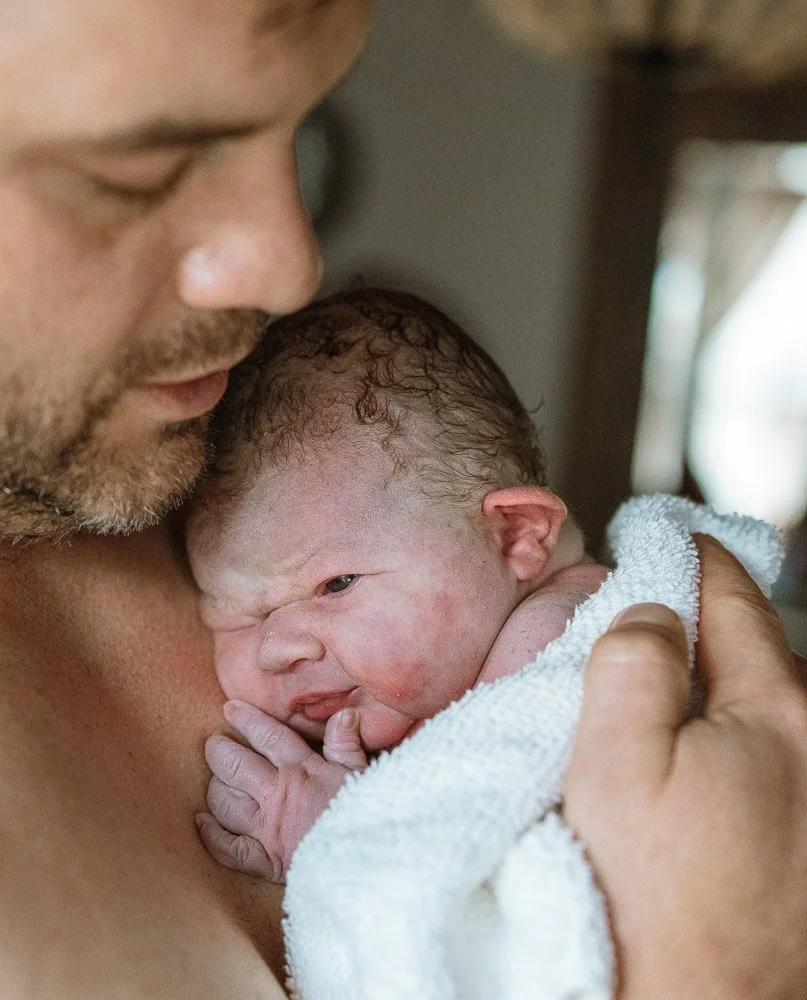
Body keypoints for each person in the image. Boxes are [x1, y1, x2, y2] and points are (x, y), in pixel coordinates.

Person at [0, 0, 805, 997]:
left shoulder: (220, 474)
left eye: (293, 130)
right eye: (138, 169)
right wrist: (718, 974)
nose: (291, 263)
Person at [185, 287, 611, 881]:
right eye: (239, 615)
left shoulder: (557, 647)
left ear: (515, 536)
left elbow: (492, 878)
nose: (278, 649)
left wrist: (339, 838)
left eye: (336, 584)